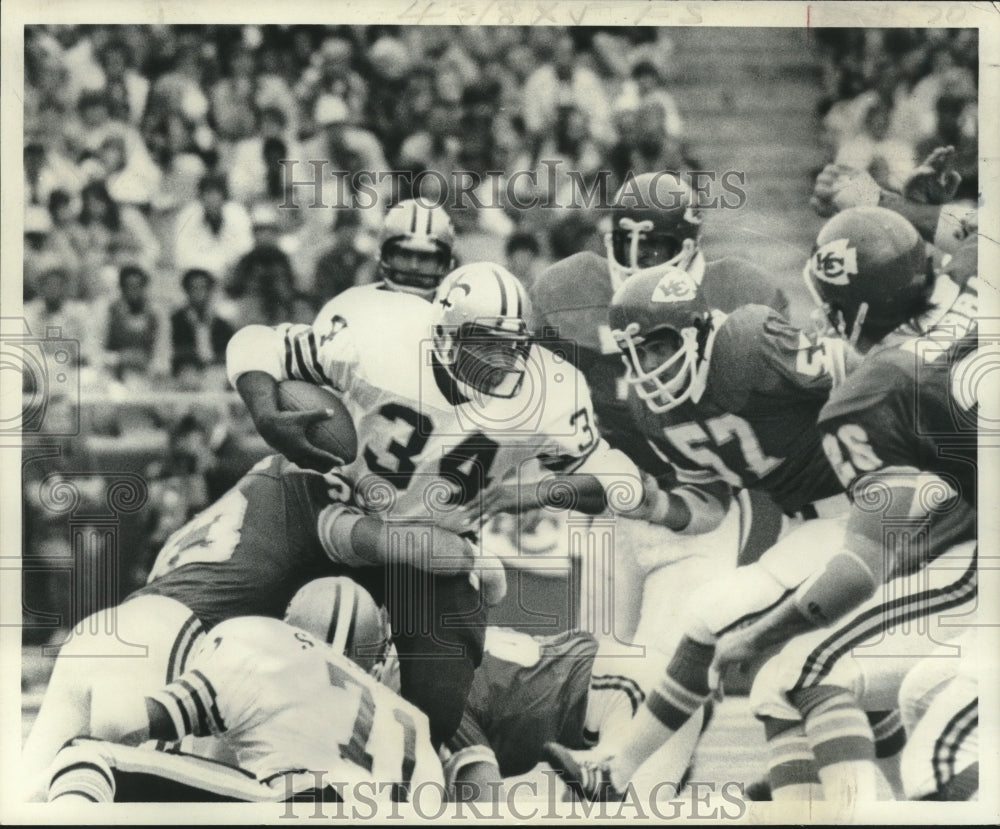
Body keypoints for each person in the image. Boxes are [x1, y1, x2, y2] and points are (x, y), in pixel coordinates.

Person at [225, 261, 668, 746]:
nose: (500, 363)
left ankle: (389, 704)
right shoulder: (379, 343)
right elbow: (257, 342)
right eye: (484, 344)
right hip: (335, 516)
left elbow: (618, 481)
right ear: (443, 334)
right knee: (255, 632)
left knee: (434, 714)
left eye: (511, 347)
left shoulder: (550, 391)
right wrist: (265, 413)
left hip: (434, 549)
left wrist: (530, 492)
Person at [21, 453, 487, 799]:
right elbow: (423, 552)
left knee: (26, 799)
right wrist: (473, 552)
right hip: (173, 646)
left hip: (131, 626)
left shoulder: (272, 486)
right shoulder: (292, 663)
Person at [728, 207, 979, 802]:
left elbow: (859, 570)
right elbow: (971, 225)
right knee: (922, 696)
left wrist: (755, 636)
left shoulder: (871, 392)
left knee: (796, 676)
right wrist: (913, 203)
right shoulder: (976, 273)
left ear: (853, 310)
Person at [45, 578, 444, 806]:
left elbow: (117, 722)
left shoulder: (261, 639)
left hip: (307, 804)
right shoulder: (414, 721)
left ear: (289, 618)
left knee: (85, 756)